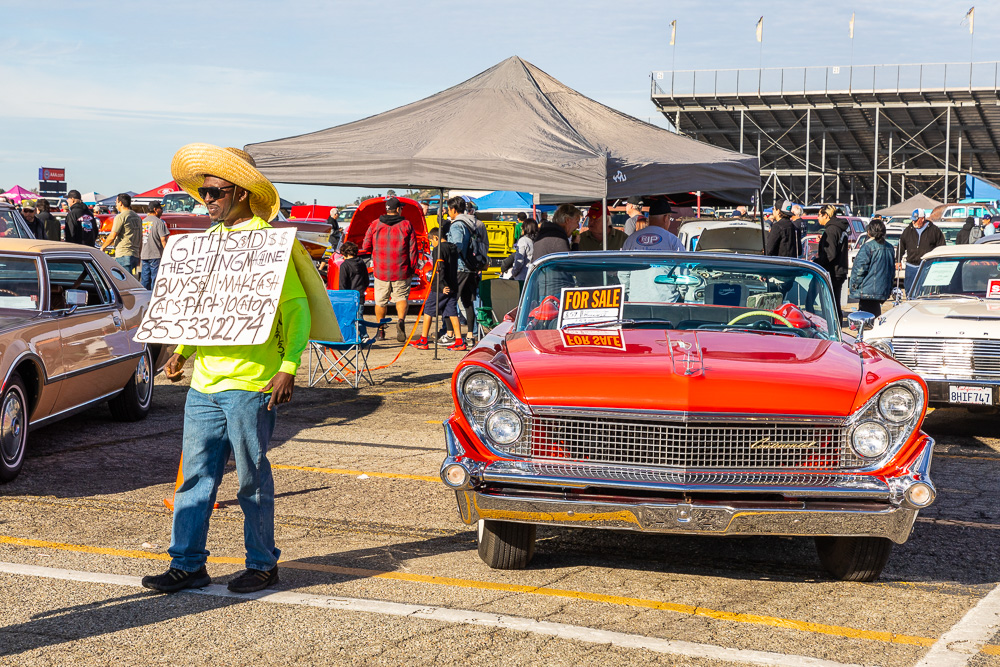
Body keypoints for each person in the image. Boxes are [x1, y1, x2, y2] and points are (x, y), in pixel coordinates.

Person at [142, 144, 311, 595]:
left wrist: (289, 367)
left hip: (252, 385)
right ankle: (187, 563)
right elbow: (208, 311)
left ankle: (262, 564)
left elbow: (296, 311)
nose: (207, 200)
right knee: (196, 476)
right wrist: (183, 349)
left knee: (252, 477)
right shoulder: (204, 244)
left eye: (214, 192)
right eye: (202, 193)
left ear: (239, 191)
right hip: (205, 384)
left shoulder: (269, 242)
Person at [361, 196, 418, 342]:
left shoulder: (375, 225)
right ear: (398, 209)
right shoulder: (406, 225)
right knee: (401, 298)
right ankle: (400, 321)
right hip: (401, 270)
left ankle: (381, 331)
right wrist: (411, 268)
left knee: (380, 301)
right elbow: (413, 250)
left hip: (381, 270)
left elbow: (366, 247)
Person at [410, 229, 465, 351]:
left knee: (428, 309)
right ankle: (459, 341)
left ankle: (423, 340)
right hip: (453, 285)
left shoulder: (438, 249)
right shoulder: (454, 248)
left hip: (440, 287)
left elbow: (439, 268)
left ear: (435, 237)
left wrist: (441, 285)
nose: (431, 244)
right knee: (451, 312)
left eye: (431, 241)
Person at [444, 196, 484, 346]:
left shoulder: (456, 225)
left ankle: (452, 335)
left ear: (453, 209)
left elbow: (457, 246)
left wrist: (447, 251)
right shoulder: (470, 223)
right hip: (471, 268)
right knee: (468, 302)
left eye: (449, 210)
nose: (448, 213)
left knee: (449, 300)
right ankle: (469, 336)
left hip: (460, 267)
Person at [849, 219, 895, 316]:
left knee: (866, 320)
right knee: (875, 315)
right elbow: (891, 271)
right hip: (881, 289)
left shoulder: (868, 247)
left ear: (869, 232)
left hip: (867, 290)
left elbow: (859, 269)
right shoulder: (890, 247)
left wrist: (854, 286)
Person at [815, 204, 850, 322]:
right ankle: (836, 325)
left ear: (826, 215)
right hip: (839, 270)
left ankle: (833, 327)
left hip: (832, 272)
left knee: (831, 304)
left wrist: (817, 262)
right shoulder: (838, 228)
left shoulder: (831, 230)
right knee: (835, 302)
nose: (817, 218)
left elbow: (830, 254)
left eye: (819, 215)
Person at [897, 208, 945, 294]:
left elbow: (941, 247)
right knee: (910, 290)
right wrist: (898, 260)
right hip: (911, 266)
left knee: (925, 291)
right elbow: (901, 246)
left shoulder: (934, 230)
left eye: (915, 220)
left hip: (927, 266)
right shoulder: (908, 230)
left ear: (922, 219)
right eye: (912, 220)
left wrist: (939, 263)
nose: (913, 222)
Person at [100, 193, 143, 273]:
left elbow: (112, 235)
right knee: (130, 280)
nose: (116, 204)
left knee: (124, 282)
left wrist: (103, 247)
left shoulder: (121, 217)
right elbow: (141, 238)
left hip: (124, 254)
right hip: (135, 254)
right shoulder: (137, 217)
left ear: (120, 203)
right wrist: (139, 255)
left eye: (116, 202)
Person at [140, 202, 169, 289]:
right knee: (155, 280)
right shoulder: (159, 222)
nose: (162, 211)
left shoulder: (142, 222)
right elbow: (163, 240)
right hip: (155, 255)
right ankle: (153, 298)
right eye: (160, 208)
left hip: (144, 255)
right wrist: (168, 255)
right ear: (155, 210)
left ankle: (145, 298)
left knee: (145, 280)